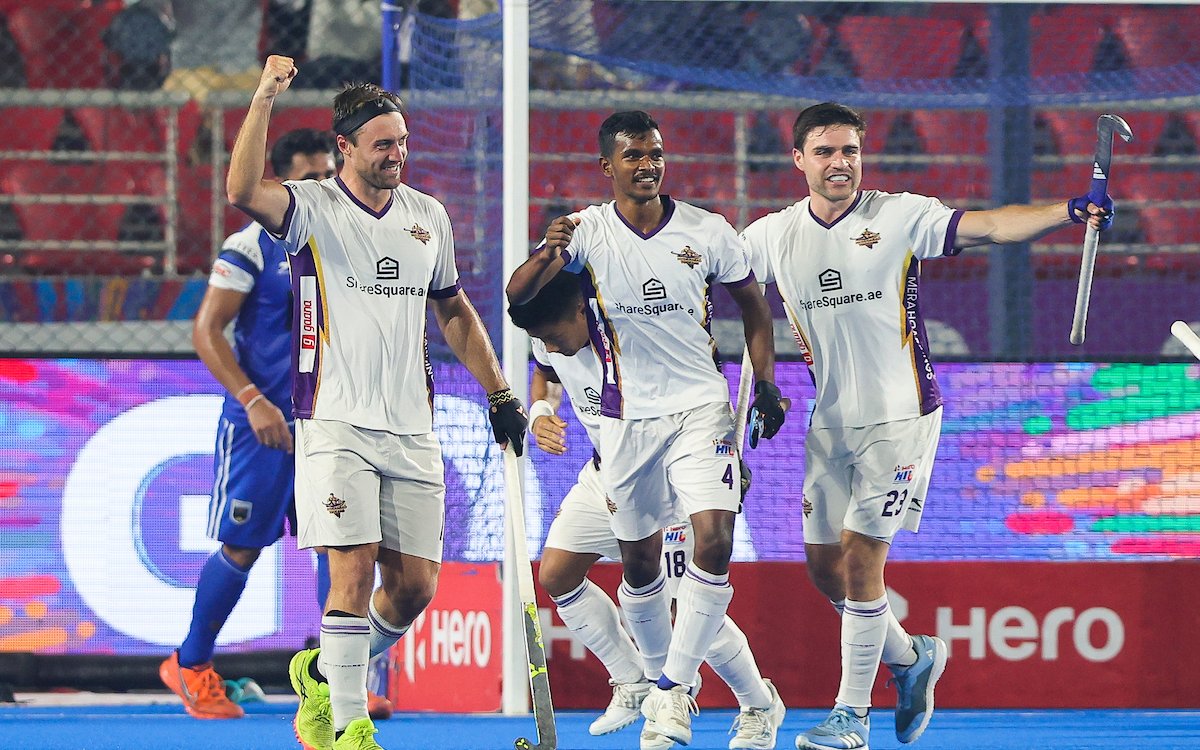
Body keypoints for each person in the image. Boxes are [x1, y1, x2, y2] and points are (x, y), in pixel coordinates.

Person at [739, 101, 1116, 750]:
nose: (840, 163)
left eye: (850, 151)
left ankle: (851, 717)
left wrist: (1069, 210)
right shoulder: (771, 235)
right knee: (825, 569)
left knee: (862, 557)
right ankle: (912, 658)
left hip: (903, 414)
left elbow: (991, 226)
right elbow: (714, 278)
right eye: (825, 152)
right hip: (831, 421)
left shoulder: (901, 215)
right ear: (798, 159)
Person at [226, 56, 527, 750]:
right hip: (335, 422)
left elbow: (452, 309)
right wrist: (266, 94)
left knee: (416, 588)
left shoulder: (428, 216)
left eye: (403, 142)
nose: (398, 154)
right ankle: (348, 723)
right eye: (383, 143)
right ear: (346, 147)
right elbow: (241, 188)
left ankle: (323, 676)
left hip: (411, 426)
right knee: (353, 569)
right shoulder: (311, 208)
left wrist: (499, 391)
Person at [506, 110, 785, 749]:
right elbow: (519, 299)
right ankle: (653, 684)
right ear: (607, 166)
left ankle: (673, 694)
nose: (647, 165)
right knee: (638, 573)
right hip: (626, 429)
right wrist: (549, 248)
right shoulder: (586, 235)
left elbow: (754, 307)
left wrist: (764, 383)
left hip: (700, 410)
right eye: (633, 156)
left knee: (713, 544)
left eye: (654, 153)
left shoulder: (706, 230)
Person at [159, 127, 342, 721]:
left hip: (330, 424)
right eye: (311, 177)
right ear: (281, 182)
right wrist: (253, 400)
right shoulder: (251, 244)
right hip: (262, 425)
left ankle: (333, 682)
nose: (325, 185)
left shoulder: (349, 239)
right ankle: (190, 665)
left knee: (336, 546)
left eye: (330, 173)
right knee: (241, 546)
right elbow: (207, 330)